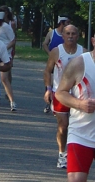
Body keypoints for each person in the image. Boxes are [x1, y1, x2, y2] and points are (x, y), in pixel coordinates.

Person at [43, 24, 85, 169]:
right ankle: (62, 154)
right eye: (68, 33)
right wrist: (48, 89)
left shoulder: (83, 53)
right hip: (60, 93)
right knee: (64, 125)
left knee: (78, 126)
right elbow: (48, 71)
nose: (71, 36)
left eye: (73, 34)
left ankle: (76, 153)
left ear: (78, 36)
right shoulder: (56, 52)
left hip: (78, 95)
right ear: (63, 36)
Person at [56, 37, 95, 182]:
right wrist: (80, 104)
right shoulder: (80, 63)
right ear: (93, 41)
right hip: (81, 133)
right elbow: (60, 93)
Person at [42, 15, 70, 113]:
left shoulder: (67, 35)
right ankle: (48, 101)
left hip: (63, 63)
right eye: (67, 22)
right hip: (53, 61)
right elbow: (45, 43)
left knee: (61, 81)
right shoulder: (52, 33)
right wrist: (50, 54)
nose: (69, 24)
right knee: (50, 80)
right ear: (62, 23)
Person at [0, 10, 16, 110]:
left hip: (5, 54)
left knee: (4, 78)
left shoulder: (6, 27)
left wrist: (5, 48)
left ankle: (12, 102)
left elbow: (13, 40)